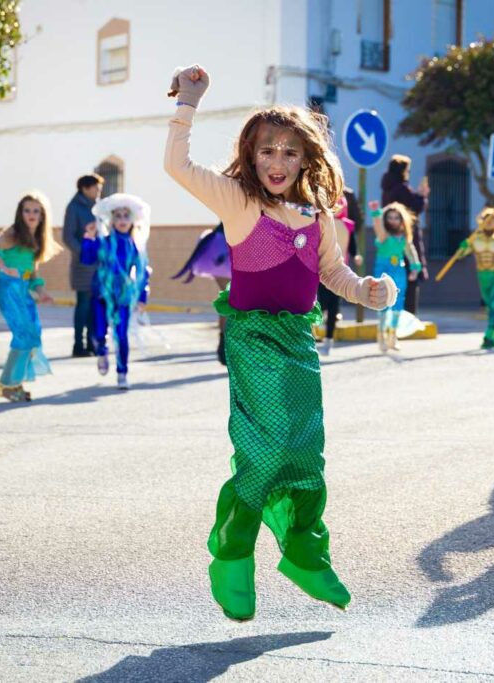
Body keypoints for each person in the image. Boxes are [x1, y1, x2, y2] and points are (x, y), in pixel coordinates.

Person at [165, 64, 397, 620]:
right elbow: (177, 165)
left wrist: (367, 291)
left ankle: (304, 554)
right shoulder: (238, 201)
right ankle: (233, 556)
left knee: (304, 452)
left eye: (290, 152)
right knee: (266, 450)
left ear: (305, 159)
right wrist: (188, 102)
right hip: (254, 338)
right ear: (251, 155)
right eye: (267, 150)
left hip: (298, 341)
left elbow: (333, 273)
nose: (277, 161)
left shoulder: (318, 215)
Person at [0, 192, 59, 402]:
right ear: (20, 213)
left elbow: (32, 272)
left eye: (36, 211)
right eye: (27, 210)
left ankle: (11, 383)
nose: (31, 215)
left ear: (42, 215)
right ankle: (8, 384)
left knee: (32, 333)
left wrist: (42, 292)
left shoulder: (36, 238)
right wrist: (2, 265)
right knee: (23, 334)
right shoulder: (14, 233)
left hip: (23, 288)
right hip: (8, 287)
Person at [82, 193, 152, 390]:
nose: (122, 220)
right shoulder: (103, 242)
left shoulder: (134, 246)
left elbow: (143, 273)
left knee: (121, 335)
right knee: (98, 332)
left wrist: (142, 296)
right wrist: (88, 237)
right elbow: (86, 259)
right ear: (111, 220)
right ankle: (101, 351)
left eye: (126, 216)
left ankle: (122, 373)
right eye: (118, 216)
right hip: (101, 294)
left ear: (132, 220)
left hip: (123, 296)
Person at [442, 208, 494, 349]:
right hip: (482, 276)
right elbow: (461, 255)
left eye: (493, 220)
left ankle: (488, 335)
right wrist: (462, 247)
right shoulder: (475, 240)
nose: (490, 223)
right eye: (487, 220)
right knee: (490, 307)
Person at [172, 221, 231, 364]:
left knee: (229, 300)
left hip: (221, 252)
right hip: (227, 252)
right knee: (232, 300)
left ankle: (225, 344)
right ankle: (227, 345)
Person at [370, 200, 421, 352]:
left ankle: (393, 336)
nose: (393, 220)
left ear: (401, 219)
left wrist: (415, 268)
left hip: (399, 271)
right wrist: (376, 214)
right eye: (390, 217)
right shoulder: (384, 235)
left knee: (398, 303)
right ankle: (381, 335)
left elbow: (411, 252)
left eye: (396, 217)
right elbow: (378, 229)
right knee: (383, 302)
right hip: (383, 271)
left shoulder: (403, 237)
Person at [381, 154, 429, 315]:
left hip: (390, 244)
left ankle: (393, 317)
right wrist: (422, 196)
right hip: (405, 241)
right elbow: (415, 208)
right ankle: (407, 318)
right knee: (410, 281)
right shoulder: (401, 189)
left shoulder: (387, 188)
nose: (408, 173)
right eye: (407, 170)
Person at [316, 189, 362, 356]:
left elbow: (353, 246)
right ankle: (322, 319)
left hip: (339, 271)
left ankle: (329, 339)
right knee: (321, 302)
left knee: (334, 304)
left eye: (339, 204)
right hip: (320, 270)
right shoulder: (322, 222)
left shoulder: (348, 225)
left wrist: (356, 255)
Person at [62, 174, 103, 357]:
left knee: (95, 306)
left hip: (98, 264)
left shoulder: (98, 207)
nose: (99, 192)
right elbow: (68, 236)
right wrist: (84, 252)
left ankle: (92, 343)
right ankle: (78, 345)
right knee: (83, 305)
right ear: (85, 188)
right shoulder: (74, 207)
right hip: (82, 265)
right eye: (96, 188)